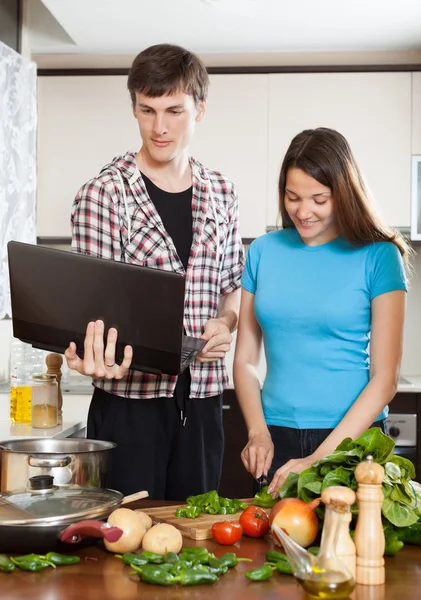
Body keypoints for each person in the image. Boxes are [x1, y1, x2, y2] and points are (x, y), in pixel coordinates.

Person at [64, 44, 245, 500]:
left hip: (203, 400)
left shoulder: (223, 192)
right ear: (134, 109)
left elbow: (232, 290)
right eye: (147, 110)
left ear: (200, 110)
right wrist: (90, 353)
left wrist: (225, 323)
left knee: (196, 534)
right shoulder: (103, 196)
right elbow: (91, 313)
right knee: (124, 539)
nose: (159, 127)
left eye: (174, 111)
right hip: (129, 406)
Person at [233, 127, 412, 497]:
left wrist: (319, 457)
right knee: (273, 551)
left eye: (319, 199)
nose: (303, 211)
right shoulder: (263, 251)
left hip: (352, 440)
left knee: (352, 552)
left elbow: (386, 378)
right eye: (293, 197)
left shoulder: (380, 256)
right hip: (274, 437)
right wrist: (257, 431)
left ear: (343, 193)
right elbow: (246, 359)